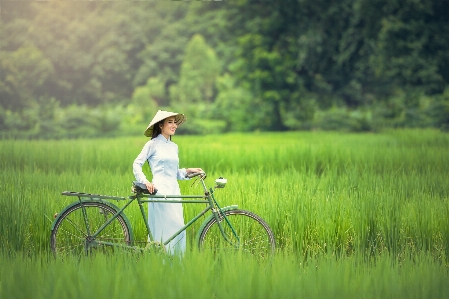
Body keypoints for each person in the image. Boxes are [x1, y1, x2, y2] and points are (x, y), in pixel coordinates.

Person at [133, 110, 203, 255]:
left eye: (175, 122)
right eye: (170, 122)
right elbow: (136, 164)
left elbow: (176, 173)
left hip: (174, 191)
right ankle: (161, 263)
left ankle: (175, 267)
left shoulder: (174, 147)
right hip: (159, 191)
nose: (174, 125)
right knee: (168, 228)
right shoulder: (152, 144)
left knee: (178, 229)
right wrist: (145, 181)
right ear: (160, 125)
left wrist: (189, 171)